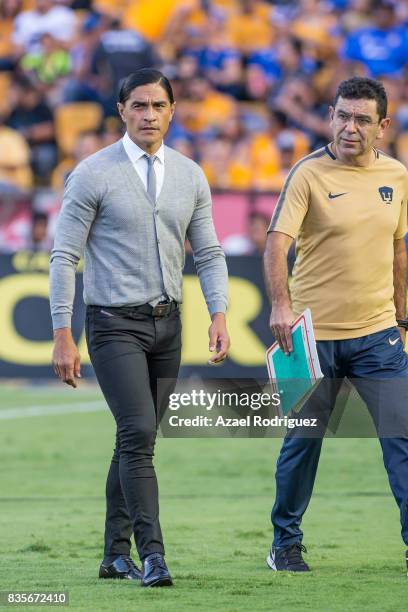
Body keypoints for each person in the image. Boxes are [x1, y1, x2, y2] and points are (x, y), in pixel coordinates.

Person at [49, 68, 229, 587]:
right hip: (112, 325)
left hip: (168, 324)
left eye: (158, 106)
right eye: (139, 106)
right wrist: (63, 331)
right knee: (138, 435)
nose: (149, 115)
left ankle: (113, 556)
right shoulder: (91, 173)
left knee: (134, 441)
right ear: (121, 111)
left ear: (173, 111)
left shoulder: (191, 175)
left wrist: (218, 313)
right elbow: (65, 257)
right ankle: (153, 556)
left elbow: (211, 251)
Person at [263, 76, 408, 572]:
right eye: (343, 116)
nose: (350, 127)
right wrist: (281, 306)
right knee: (302, 444)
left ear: (383, 126)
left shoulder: (398, 175)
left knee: (403, 439)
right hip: (310, 338)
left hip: (378, 337)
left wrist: (403, 316)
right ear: (330, 116)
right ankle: (285, 543)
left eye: (362, 119)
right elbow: (276, 242)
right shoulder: (307, 173)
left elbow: (397, 248)